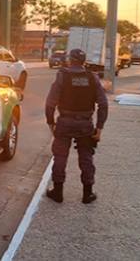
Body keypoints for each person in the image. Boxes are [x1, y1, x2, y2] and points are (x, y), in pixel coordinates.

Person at [45, 48, 108, 203]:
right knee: (86, 157)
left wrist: (50, 123)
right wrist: (99, 128)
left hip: (64, 123)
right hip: (85, 125)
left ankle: (58, 192)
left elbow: (50, 103)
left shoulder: (62, 77)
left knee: (60, 156)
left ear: (70, 61)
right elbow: (103, 104)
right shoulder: (93, 78)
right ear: (84, 62)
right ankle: (87, 193)